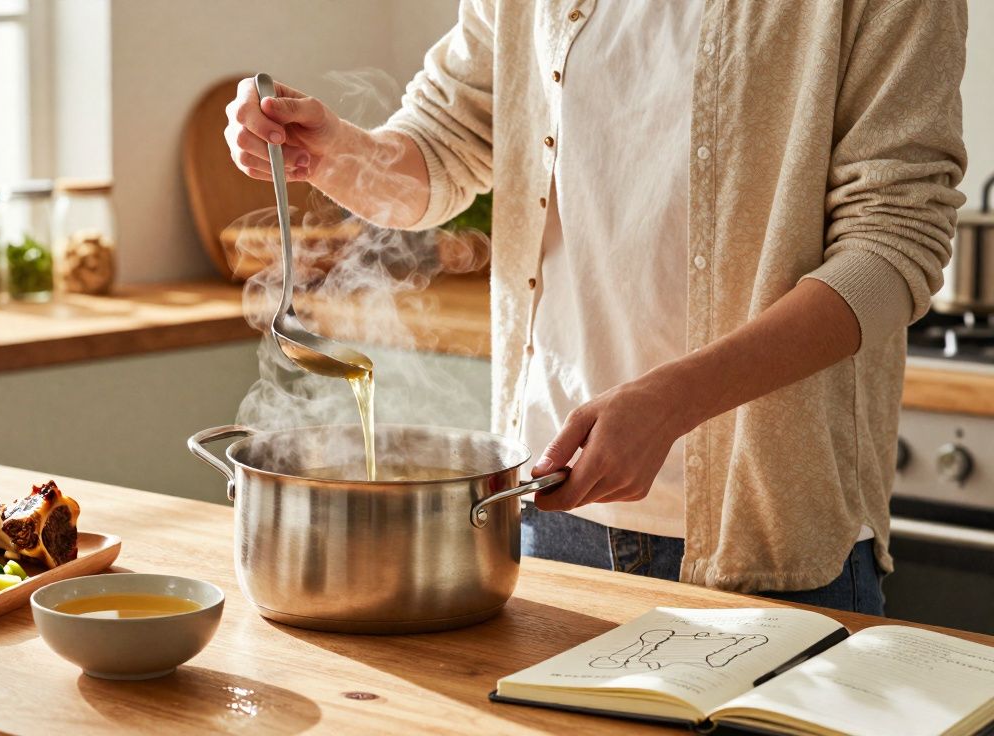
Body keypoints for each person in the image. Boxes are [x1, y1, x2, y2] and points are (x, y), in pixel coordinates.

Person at [222, 0, 967, 614]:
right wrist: (331, 152)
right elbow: (445, 144)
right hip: (547, 513)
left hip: (770, 542)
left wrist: (676, 400)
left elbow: (894, 247)